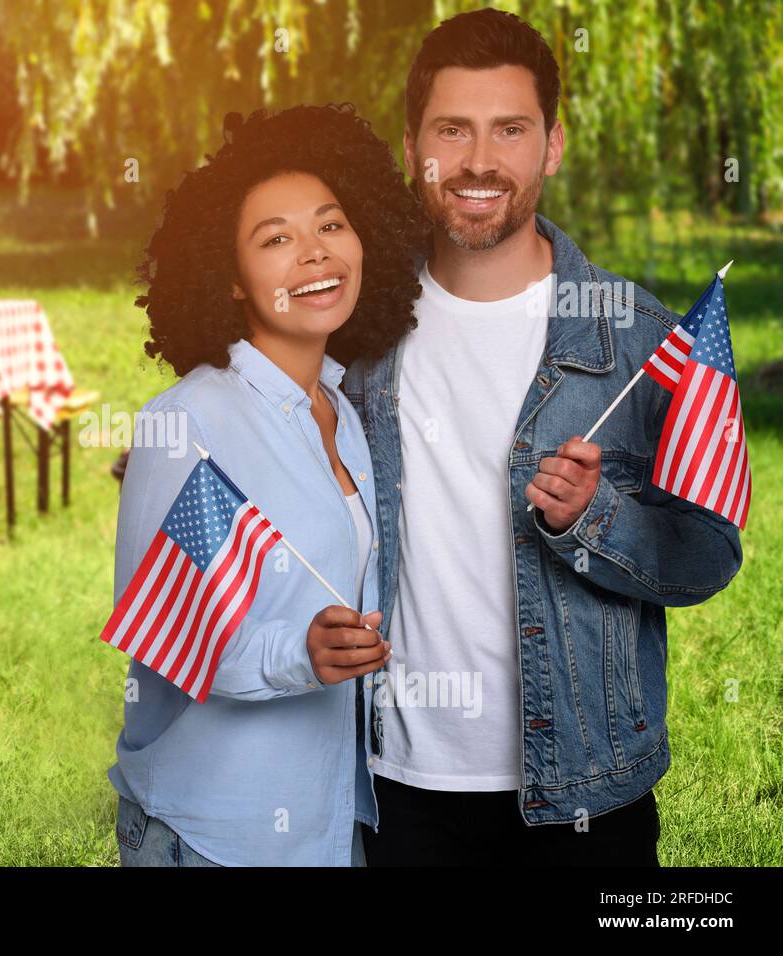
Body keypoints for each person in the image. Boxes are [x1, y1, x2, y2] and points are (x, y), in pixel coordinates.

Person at [342, 7, 744, 866]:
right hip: (391, 786)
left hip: (586, 799)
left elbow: (708, 555)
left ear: (551, 145)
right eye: (454, 129)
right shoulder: (356, 329)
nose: (481, 161)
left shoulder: (641, 340)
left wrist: (594, 521)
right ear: (415, 145)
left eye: (510, 130)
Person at [108, 103, 428, 866]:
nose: (315, 254)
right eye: (276, 239)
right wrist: (301, 654)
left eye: (331, 225)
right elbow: (167, 638)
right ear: (230, 280)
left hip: (329, 826)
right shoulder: (191, 421)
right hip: (213, 835)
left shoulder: (341, 413)